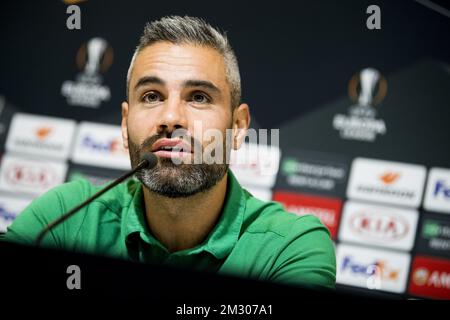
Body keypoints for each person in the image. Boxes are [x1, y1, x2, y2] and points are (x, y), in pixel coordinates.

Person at [2, 16, 335, 289]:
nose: (171, 118)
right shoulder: (68, 215)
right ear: (124, 122)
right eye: (151, 96)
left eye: (199, 97)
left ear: (238, 126)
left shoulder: (291, 246)